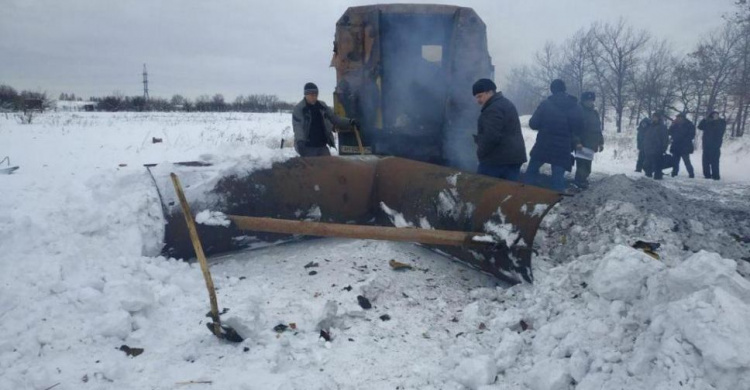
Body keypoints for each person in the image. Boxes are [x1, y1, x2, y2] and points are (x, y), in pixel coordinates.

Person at [526, 79, 583, 192]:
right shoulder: (575, 107)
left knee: (531, 172)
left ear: (552, 90)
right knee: (558, 177)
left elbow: (533, 123)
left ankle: (525, 196)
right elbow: (579, 128)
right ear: (564, 89)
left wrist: (544, 126)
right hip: (563, 147)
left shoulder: (545, 104)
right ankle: (556, 203)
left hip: (544, 144)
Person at [472, 78, 527, 181]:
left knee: (482, 188)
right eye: (476, 97)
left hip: (497, 160)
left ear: (490, 92)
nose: (478, 101)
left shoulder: (493, 109)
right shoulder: (506, 103)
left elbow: (491, 136)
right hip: (513, 158)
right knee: (507, 193)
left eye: (480, 96)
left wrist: (480, 153)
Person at [292, 82, 357, 157]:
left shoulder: (322, 106)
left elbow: (334, 118)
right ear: (306, 95)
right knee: (312, 168)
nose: (314, 97)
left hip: (322, 146)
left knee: (328, 167)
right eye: (312, 95)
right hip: (307, 147)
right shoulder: (299, 109)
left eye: (316, 95)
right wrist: (300, 141)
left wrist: (350, 122)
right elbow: (298, 127)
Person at [572, 91, 604, 189]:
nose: (590, 102)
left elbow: (598, 128)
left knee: (587, 166)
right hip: (582, 143)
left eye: (591, 100)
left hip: (591, 144)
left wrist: (601, 142)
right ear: (583, 101)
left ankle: (583, 180)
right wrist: (577, 142)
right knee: (581, 165)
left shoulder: (594, 112)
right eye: (587, 100)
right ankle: (578, 182)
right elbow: (574, 128)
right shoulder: (579, 110)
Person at [697, 111, 726, 180]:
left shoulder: (721, 122)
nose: (715, 116)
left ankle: (716, 176)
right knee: (705, 161)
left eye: (716, 115)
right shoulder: (708, 122)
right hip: (706, 145)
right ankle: (707, 175)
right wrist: (704, 119)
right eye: (713, 115)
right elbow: (700, 127)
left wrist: (716, 121)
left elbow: (721, 130)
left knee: (715, 161)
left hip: (716, 145)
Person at [642, 112, 669, 180]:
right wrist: (645, 145)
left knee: (657, 164)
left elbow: (665, 138)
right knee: (646, 164)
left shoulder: (662, 127)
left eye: (655, 117)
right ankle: (648, 175)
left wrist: (664, 147)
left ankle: (658, 177)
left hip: (657, 148)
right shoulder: (650, 126)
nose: (653, 118)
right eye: (653, 117)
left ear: (659, 118)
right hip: (649, 148)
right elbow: (646, 136)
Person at [668, 113, 696, 178]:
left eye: (679, 117)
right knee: (675, 161)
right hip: (676, 145)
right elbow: (669, 132)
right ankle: (674, 173)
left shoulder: (689, 125)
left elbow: (691, 135)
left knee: (686, 161)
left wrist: (684, 140)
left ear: (683, 118)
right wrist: (672, 125)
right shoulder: (675, 125)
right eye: (677, 117)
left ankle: (691, 174)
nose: (678, 119)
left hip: (685, 146)